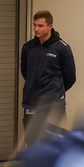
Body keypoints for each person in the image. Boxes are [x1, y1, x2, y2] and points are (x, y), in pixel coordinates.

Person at [20, 10, 76, 147]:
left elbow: (70, 77)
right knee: (32, 142)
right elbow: (25, 71)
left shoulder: (62, 48)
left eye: (40, 26)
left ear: (50, 26)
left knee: (54, 144)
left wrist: (55, 90)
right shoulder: (28, 47)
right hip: (31, 104)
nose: (36, 29)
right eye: (34, 25)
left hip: (53, 105)